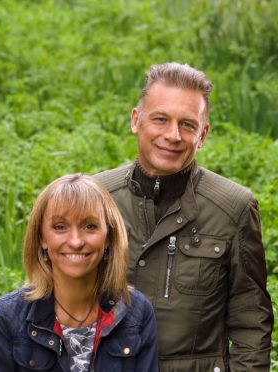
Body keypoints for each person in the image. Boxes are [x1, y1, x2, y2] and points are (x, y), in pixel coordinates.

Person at [95, 62, 273, 371]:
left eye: (188, 125)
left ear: (202, 134)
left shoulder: (233, 208)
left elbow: (251, 320)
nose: (173, 135)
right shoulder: (96, 197)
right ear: (136, 120)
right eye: (160, 119)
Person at [0, 174, 158, 371]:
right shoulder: (4, 321)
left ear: (108, 237)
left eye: (90, 226)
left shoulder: (136, 314)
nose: (76, 241)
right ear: (42, 238)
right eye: (60, 227)